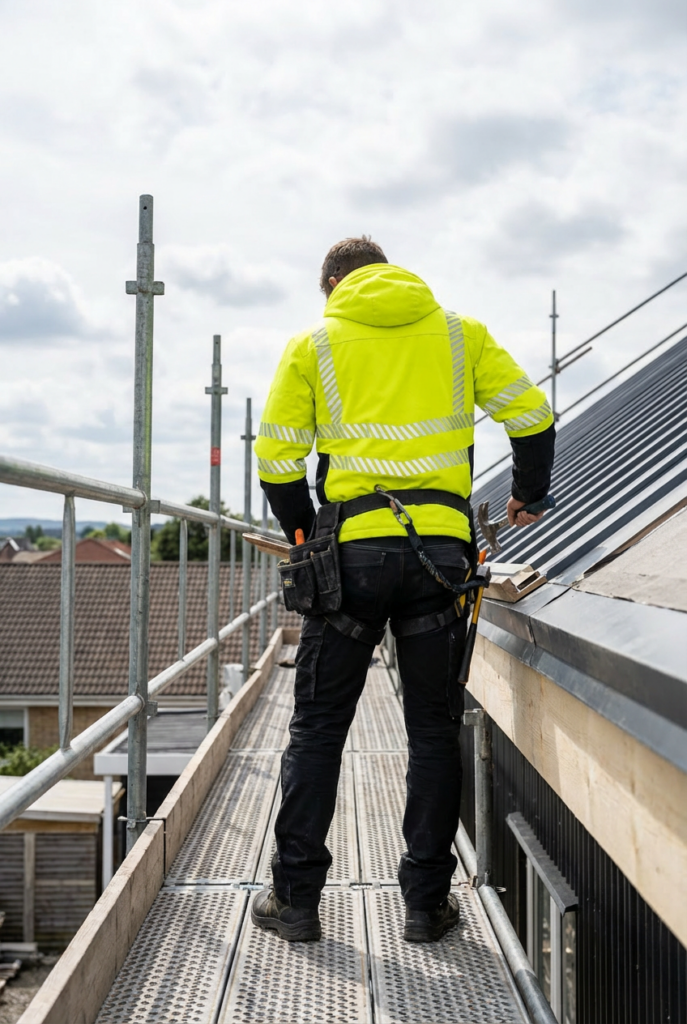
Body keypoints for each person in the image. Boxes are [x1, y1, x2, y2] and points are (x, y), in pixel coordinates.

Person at [251, 237, 555, 943]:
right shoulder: (459, 334)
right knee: (430, 731)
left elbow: (276, 459)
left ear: (331, 283)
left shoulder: (314, 343)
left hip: (351, 557)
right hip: (440, 560)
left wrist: (304, 536)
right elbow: (531, 418)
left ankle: (295, 901)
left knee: (318, 728)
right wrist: (528, 496)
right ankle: (425, 906)